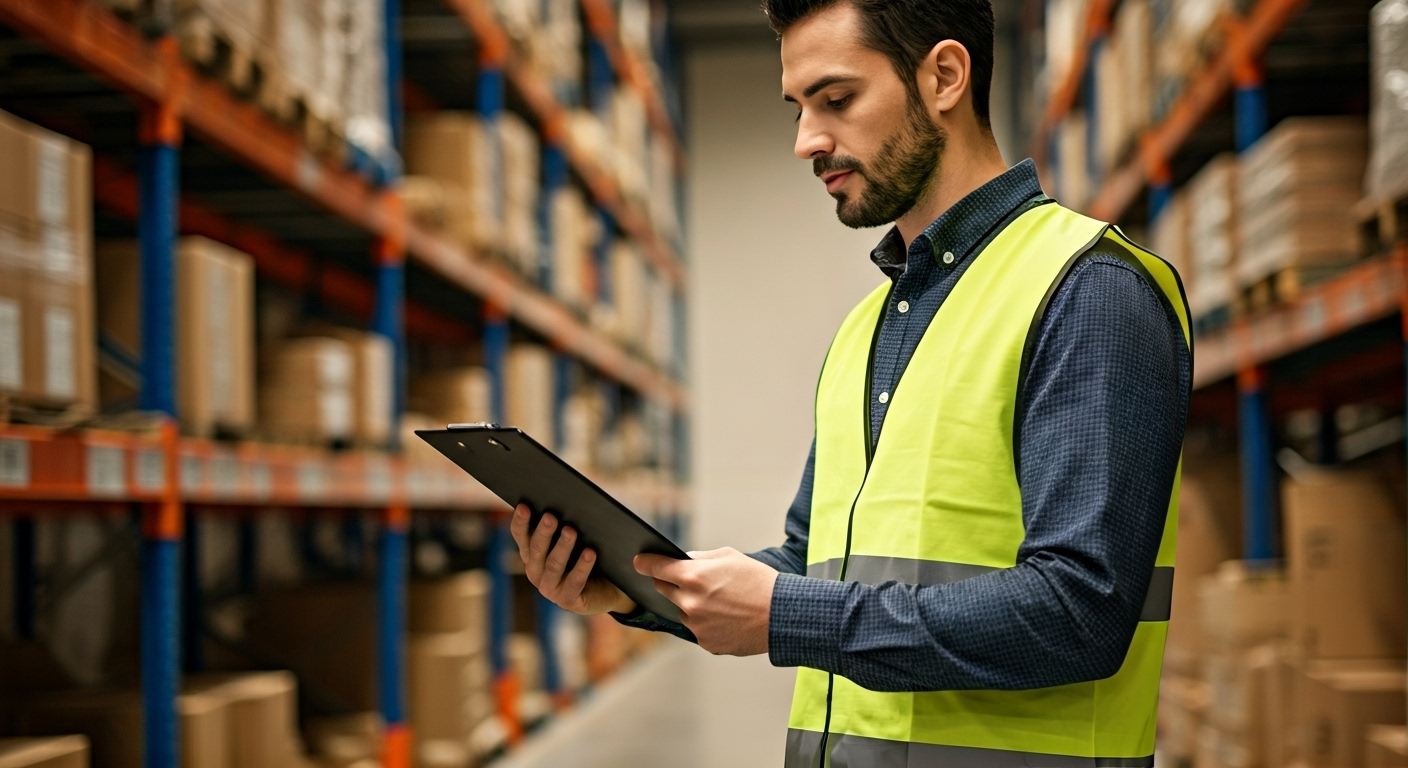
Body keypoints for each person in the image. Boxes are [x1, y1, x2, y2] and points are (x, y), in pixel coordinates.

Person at [509, 0, 1191, 765]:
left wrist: (787, 617)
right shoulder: (866, 328)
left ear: (943, 77)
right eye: (798, 108)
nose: (807, 141)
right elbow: (812, 566)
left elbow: (1080, 614)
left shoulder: (1087, 291)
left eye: (836, 100)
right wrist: (634, 589)